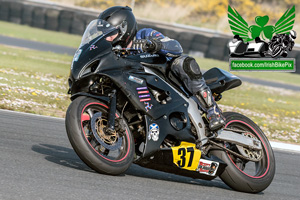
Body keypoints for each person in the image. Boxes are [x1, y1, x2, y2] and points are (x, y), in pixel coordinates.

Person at [99, 6, 225, 131]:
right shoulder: (114, 53)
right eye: (105, 34)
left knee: (183, 63)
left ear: (124, 28)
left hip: (169, 83)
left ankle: (213, 111)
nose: (107, 38)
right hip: (144, 95)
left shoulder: (145, 34)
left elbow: (176, 47)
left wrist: (155, 45)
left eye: (111, 33)